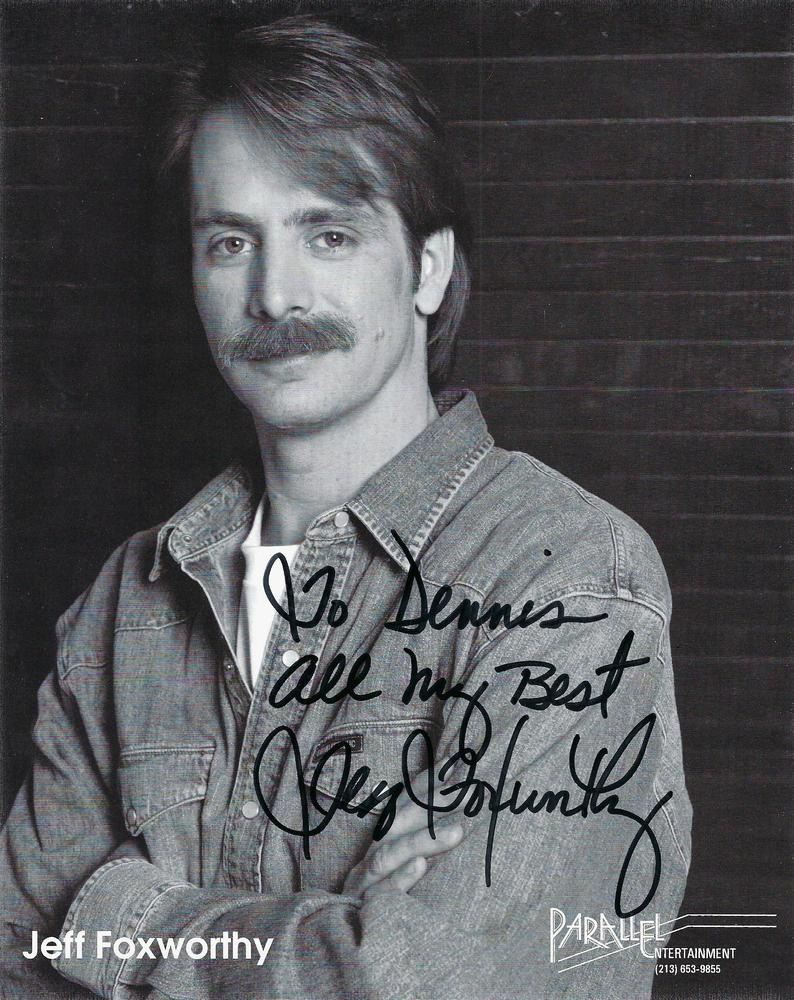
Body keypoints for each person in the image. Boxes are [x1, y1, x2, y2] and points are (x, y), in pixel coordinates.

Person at [0, 16, 691, 999]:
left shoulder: (566, 577)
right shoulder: (128, 601)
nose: (274, 295)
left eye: (328, 234)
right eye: (230, 241)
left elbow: (456, 985)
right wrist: (339, 933)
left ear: (428, 268)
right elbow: (18, 958)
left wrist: (122, 915)